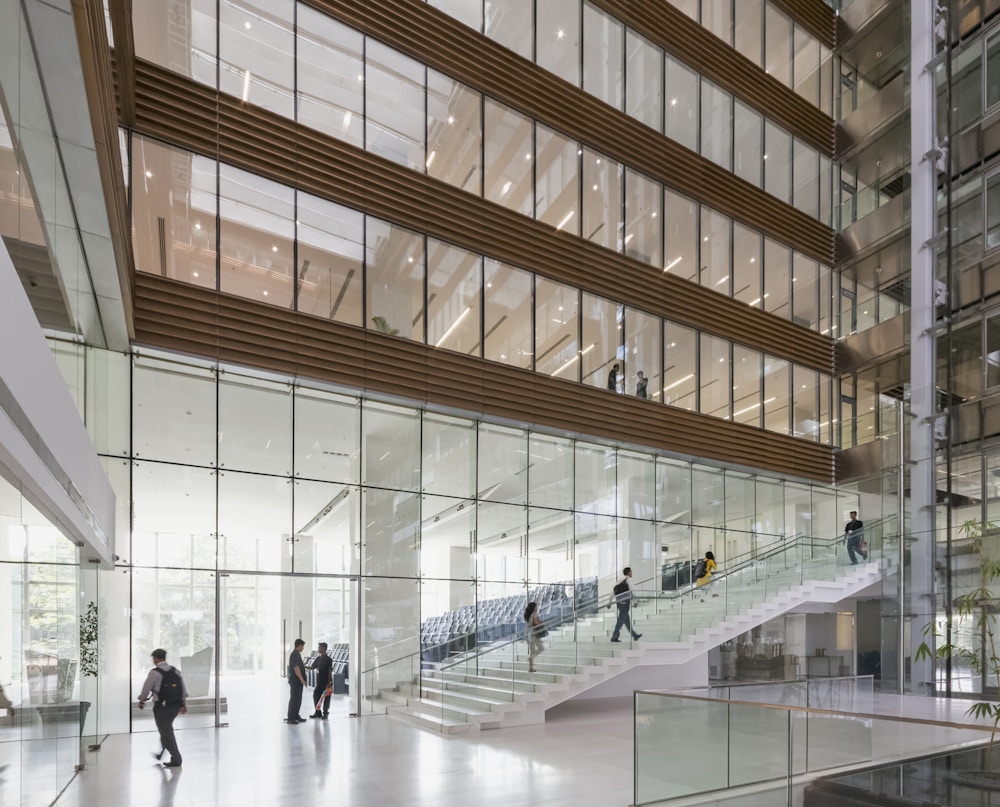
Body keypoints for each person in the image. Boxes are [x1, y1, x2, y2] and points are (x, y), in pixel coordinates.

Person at [137, 648, 187, 767]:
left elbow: (146, 688)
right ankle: (161, 753)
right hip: (175, 706)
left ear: (155, 658)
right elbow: (182, 689)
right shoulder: (175, 671)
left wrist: (142, 700)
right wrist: (184, 704)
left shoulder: (154, 672)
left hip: (162, 707)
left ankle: (177, 759)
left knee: (166, 732)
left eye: (153, 658)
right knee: (166, 730)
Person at [610, 567, 642, 642]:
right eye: (631, 572)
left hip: (618, 602)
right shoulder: (629, 580)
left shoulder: (619, 580)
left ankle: (634, 635)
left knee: (626, 619)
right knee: (621, 619)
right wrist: (635, 601)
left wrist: (610, 601)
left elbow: (613, 591)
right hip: (625, 601)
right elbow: (633, 591)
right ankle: (614, 637)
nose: (632, 573)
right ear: (629, 572)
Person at [309, 642, 333, 719]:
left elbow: (329, 671)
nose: (318, 649)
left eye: (319, 647)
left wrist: (329, 683)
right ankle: (317, 712)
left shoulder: (329, 659)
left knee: (327, 698)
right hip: (319, 682)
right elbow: (312, 667)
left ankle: (325, 713)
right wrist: (303, 666)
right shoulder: (318, 659)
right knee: (316, 695)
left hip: (327, 682)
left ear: (324, 648)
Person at [287, 639, 307, 724]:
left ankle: (296, 715)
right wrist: (302, 680)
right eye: (302, 646)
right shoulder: (294, 654)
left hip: (298, 681)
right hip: (296, 681)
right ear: (299, 645)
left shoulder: (297, 654)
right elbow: (296, 668)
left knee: (298, 699)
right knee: (294, 699)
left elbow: (300, 666)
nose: (303, 647)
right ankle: (291, 718)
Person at [524, 602, 545, 673]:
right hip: (534, 634)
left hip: (528, 634)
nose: (537, 608)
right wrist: (542, 623)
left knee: (532, 651)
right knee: (541, 648)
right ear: (533, 608)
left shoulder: (527, 615)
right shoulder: (535, 614)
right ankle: (531, 658)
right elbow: (536, 623)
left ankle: (530, 668)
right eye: (536, 606)